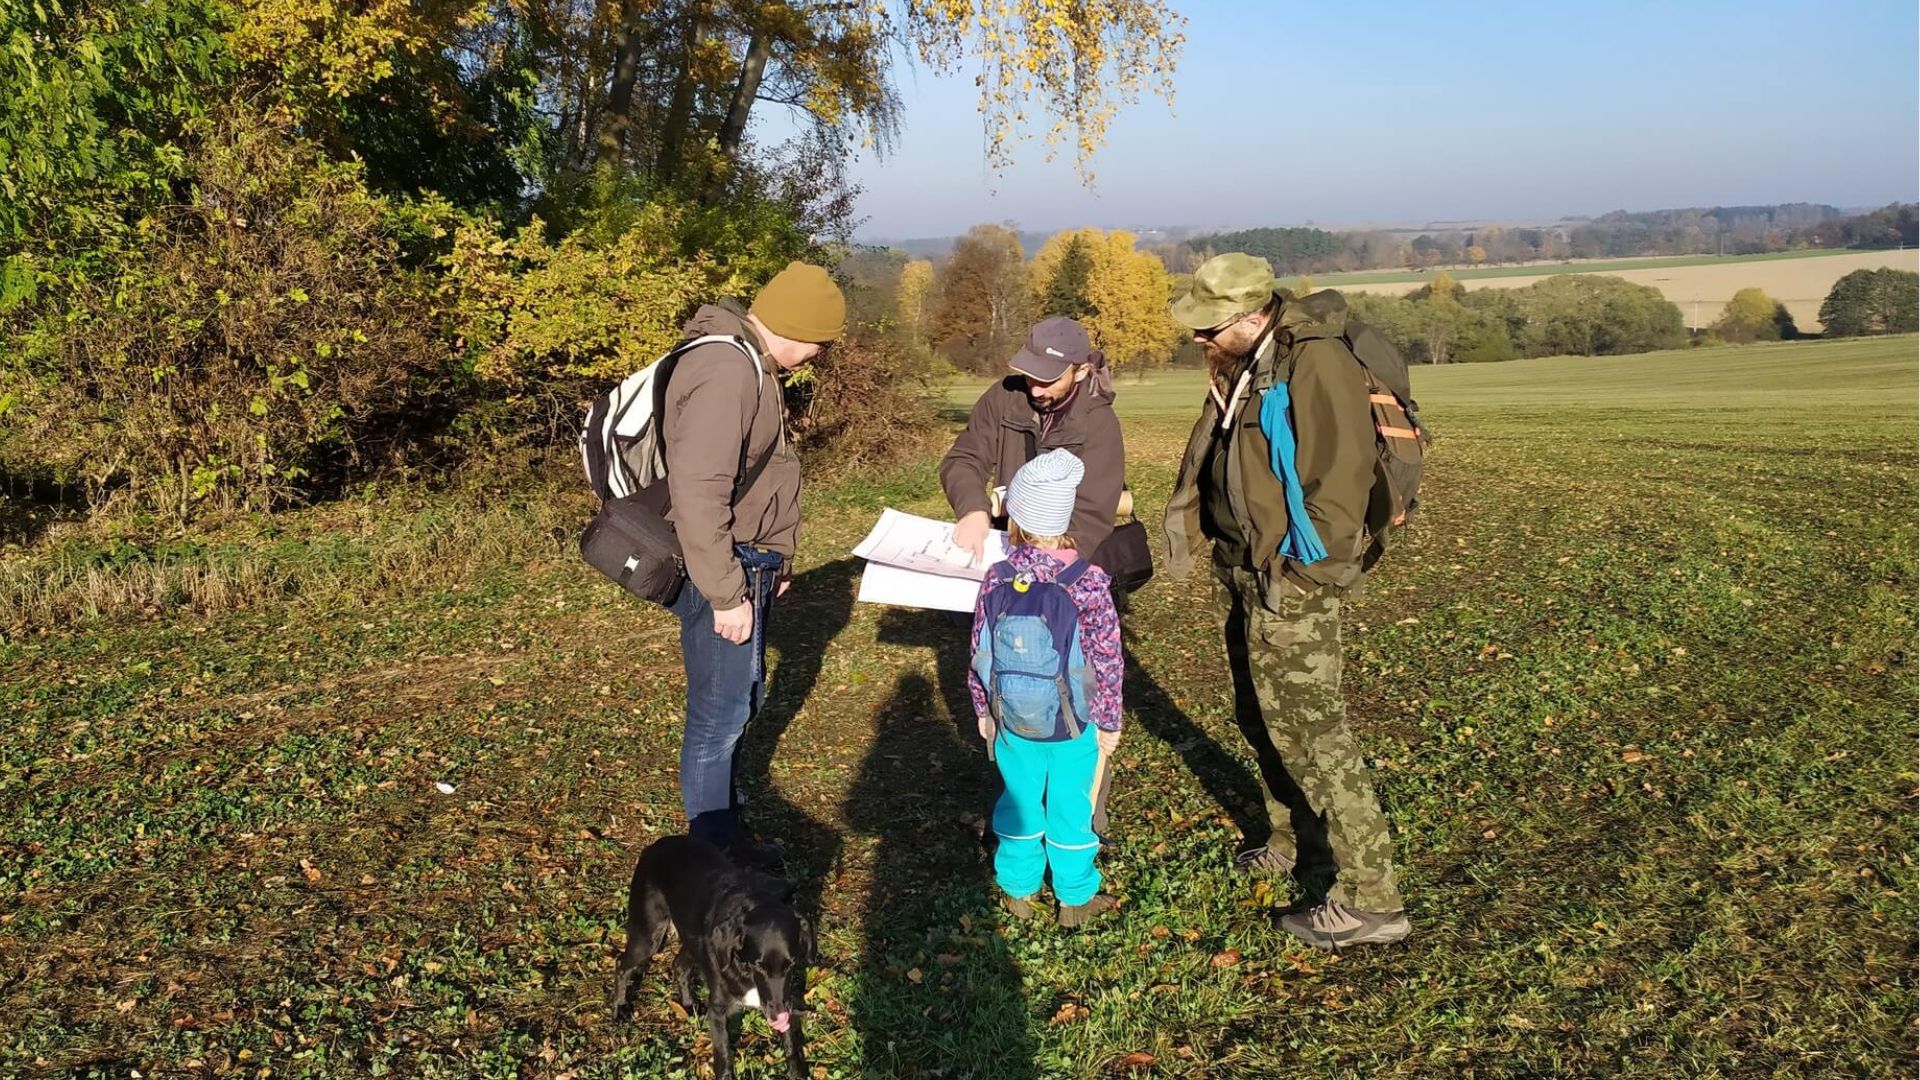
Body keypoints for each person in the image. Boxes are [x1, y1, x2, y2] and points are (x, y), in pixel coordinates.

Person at [1163, 252, 1411, 950]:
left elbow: (1341, 474)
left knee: (1315, 733)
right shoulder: (1249, 361)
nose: (1199, 339)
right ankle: (1294, 838)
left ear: (1250, 315)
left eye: (1209, 327)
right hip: (1247, 568)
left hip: (1293, 578)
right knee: (1259, 715)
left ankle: (1373, 900)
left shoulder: (1316, 363)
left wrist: (1309, 576)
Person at [662, 260, 844, 864]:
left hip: (749, 563)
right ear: (797, 327)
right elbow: (698, 490)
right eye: (823, 340)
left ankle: (727, 832)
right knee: (719, 715)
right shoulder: (725, 370)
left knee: (740, 701)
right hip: (727, 569)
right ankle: (711, 861)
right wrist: (725, 593)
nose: (821, 353)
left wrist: (778, 559)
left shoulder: (753, 366)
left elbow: (761, 479)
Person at [968, 449, 1124, 928]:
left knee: (1017, 798)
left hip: (1012, 720)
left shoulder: (996, 576)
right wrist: (1110, 722)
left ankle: (1017, 889)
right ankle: (1074, 898)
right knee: (1070, 806)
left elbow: (979, 650)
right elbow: (1107, 658)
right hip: (1073, 724)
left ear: (1014, 520)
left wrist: (984, 710)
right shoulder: (1088, 582)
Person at [940, 317, 1126, 569]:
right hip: (1001, 545)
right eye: (1030, 376)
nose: (1036, 391)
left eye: (1048, 380)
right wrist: (973, 510)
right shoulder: (1003, 397)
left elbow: (1091, 515)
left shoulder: (1100, 423)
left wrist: (1048, 563)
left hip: (1062, 562)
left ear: (1080, 371)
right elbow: (965, 458)